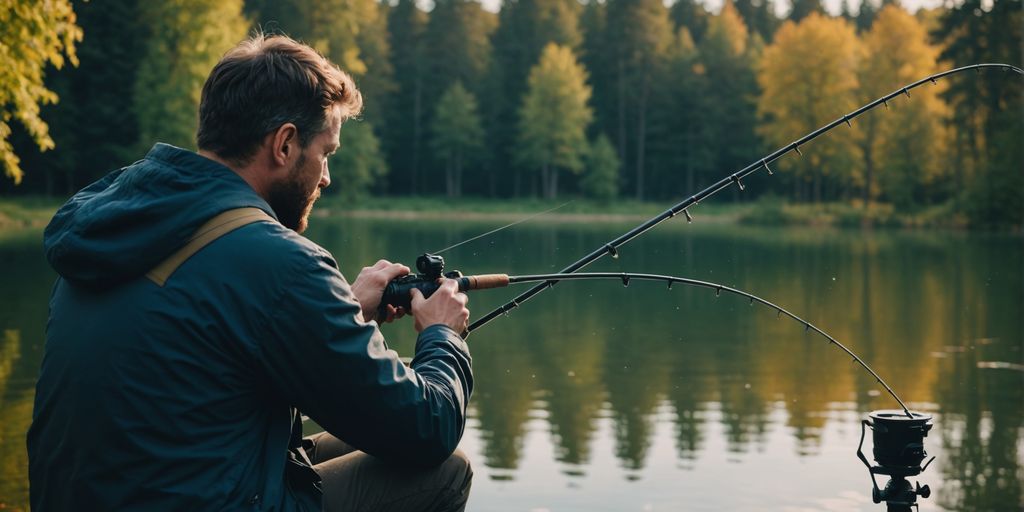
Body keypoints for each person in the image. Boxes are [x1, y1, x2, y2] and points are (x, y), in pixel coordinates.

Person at [28, 34, 474, 511]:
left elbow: (205, 354)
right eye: (326, 153)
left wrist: (341, 312)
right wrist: (442, 336)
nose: (326, 178)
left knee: (353, 441)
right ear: (284, 144)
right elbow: (426, 428)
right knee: (445, 470)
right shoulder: (280, 262)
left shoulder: (116, 226)